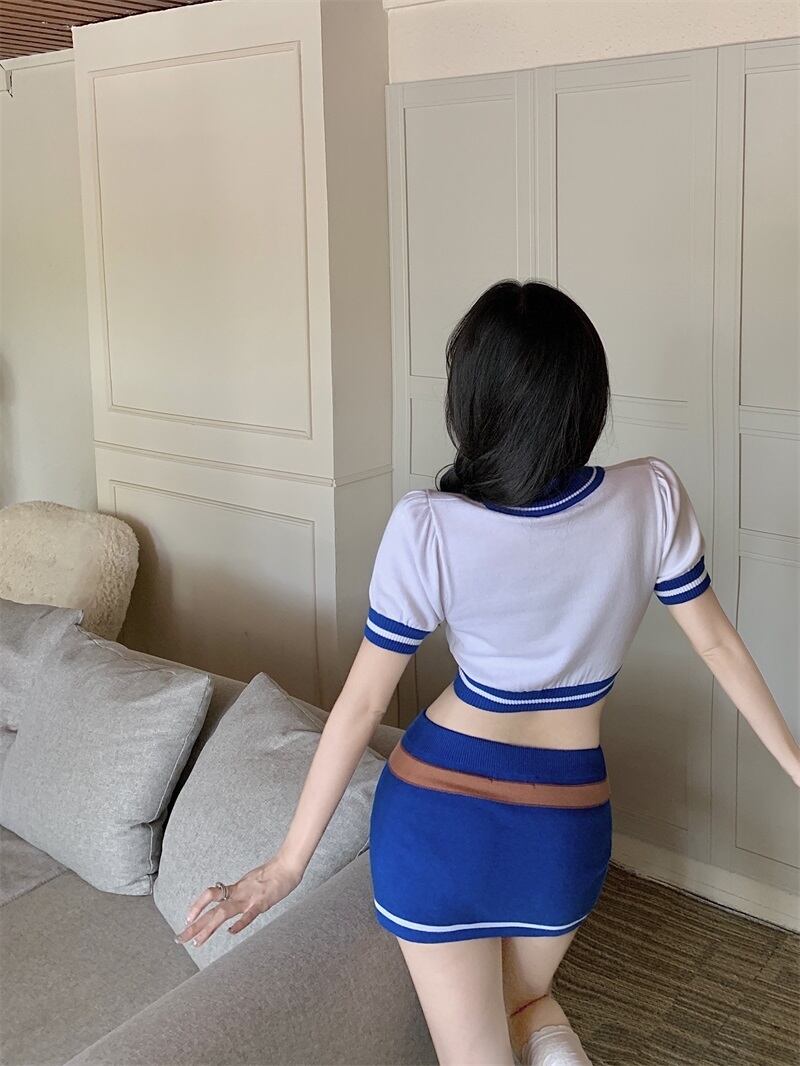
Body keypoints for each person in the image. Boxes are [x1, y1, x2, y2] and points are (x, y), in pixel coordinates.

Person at [174, 280, 800, 1066]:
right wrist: (795, 764)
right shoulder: (652, 496)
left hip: (435, 818)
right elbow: (720, 649)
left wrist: (285, 865)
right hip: (566, 823)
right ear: (587, 397)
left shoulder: (429, 527)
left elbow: (362, 704)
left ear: (471, 403)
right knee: (525, 1002)